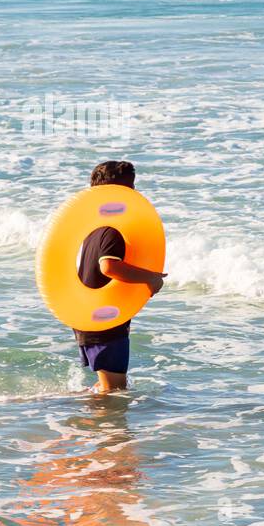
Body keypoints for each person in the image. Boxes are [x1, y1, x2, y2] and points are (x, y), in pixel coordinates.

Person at [74, 160, 165, 394]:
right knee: (114, 390)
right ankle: (99, 429)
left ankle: (79, 415)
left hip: (93, 315)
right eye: (131, 188)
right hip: (104, 318)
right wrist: (151, 278)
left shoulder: (93, 228)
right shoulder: (113, 231)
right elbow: (109, 267)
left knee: (108, 385)